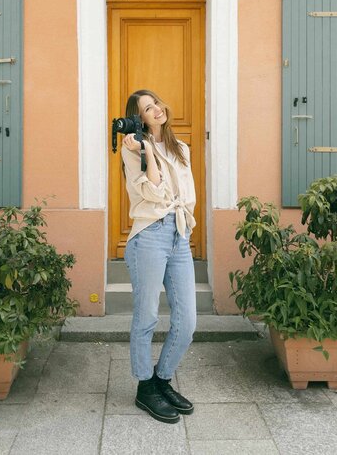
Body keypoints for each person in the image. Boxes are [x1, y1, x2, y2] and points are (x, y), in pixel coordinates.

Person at [121, 89, 197, 424]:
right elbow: (153, 191)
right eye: (147, 109)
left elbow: (186, 194)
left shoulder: (181, 149)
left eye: (156, 104)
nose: (156, 110)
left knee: (188, 320)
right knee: (147, 315)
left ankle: (162, 379)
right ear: (139, 119)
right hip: (148, 236)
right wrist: (148, 151)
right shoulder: (132, 150)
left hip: (178, 234)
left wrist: (186, 228)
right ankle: (144, 386)